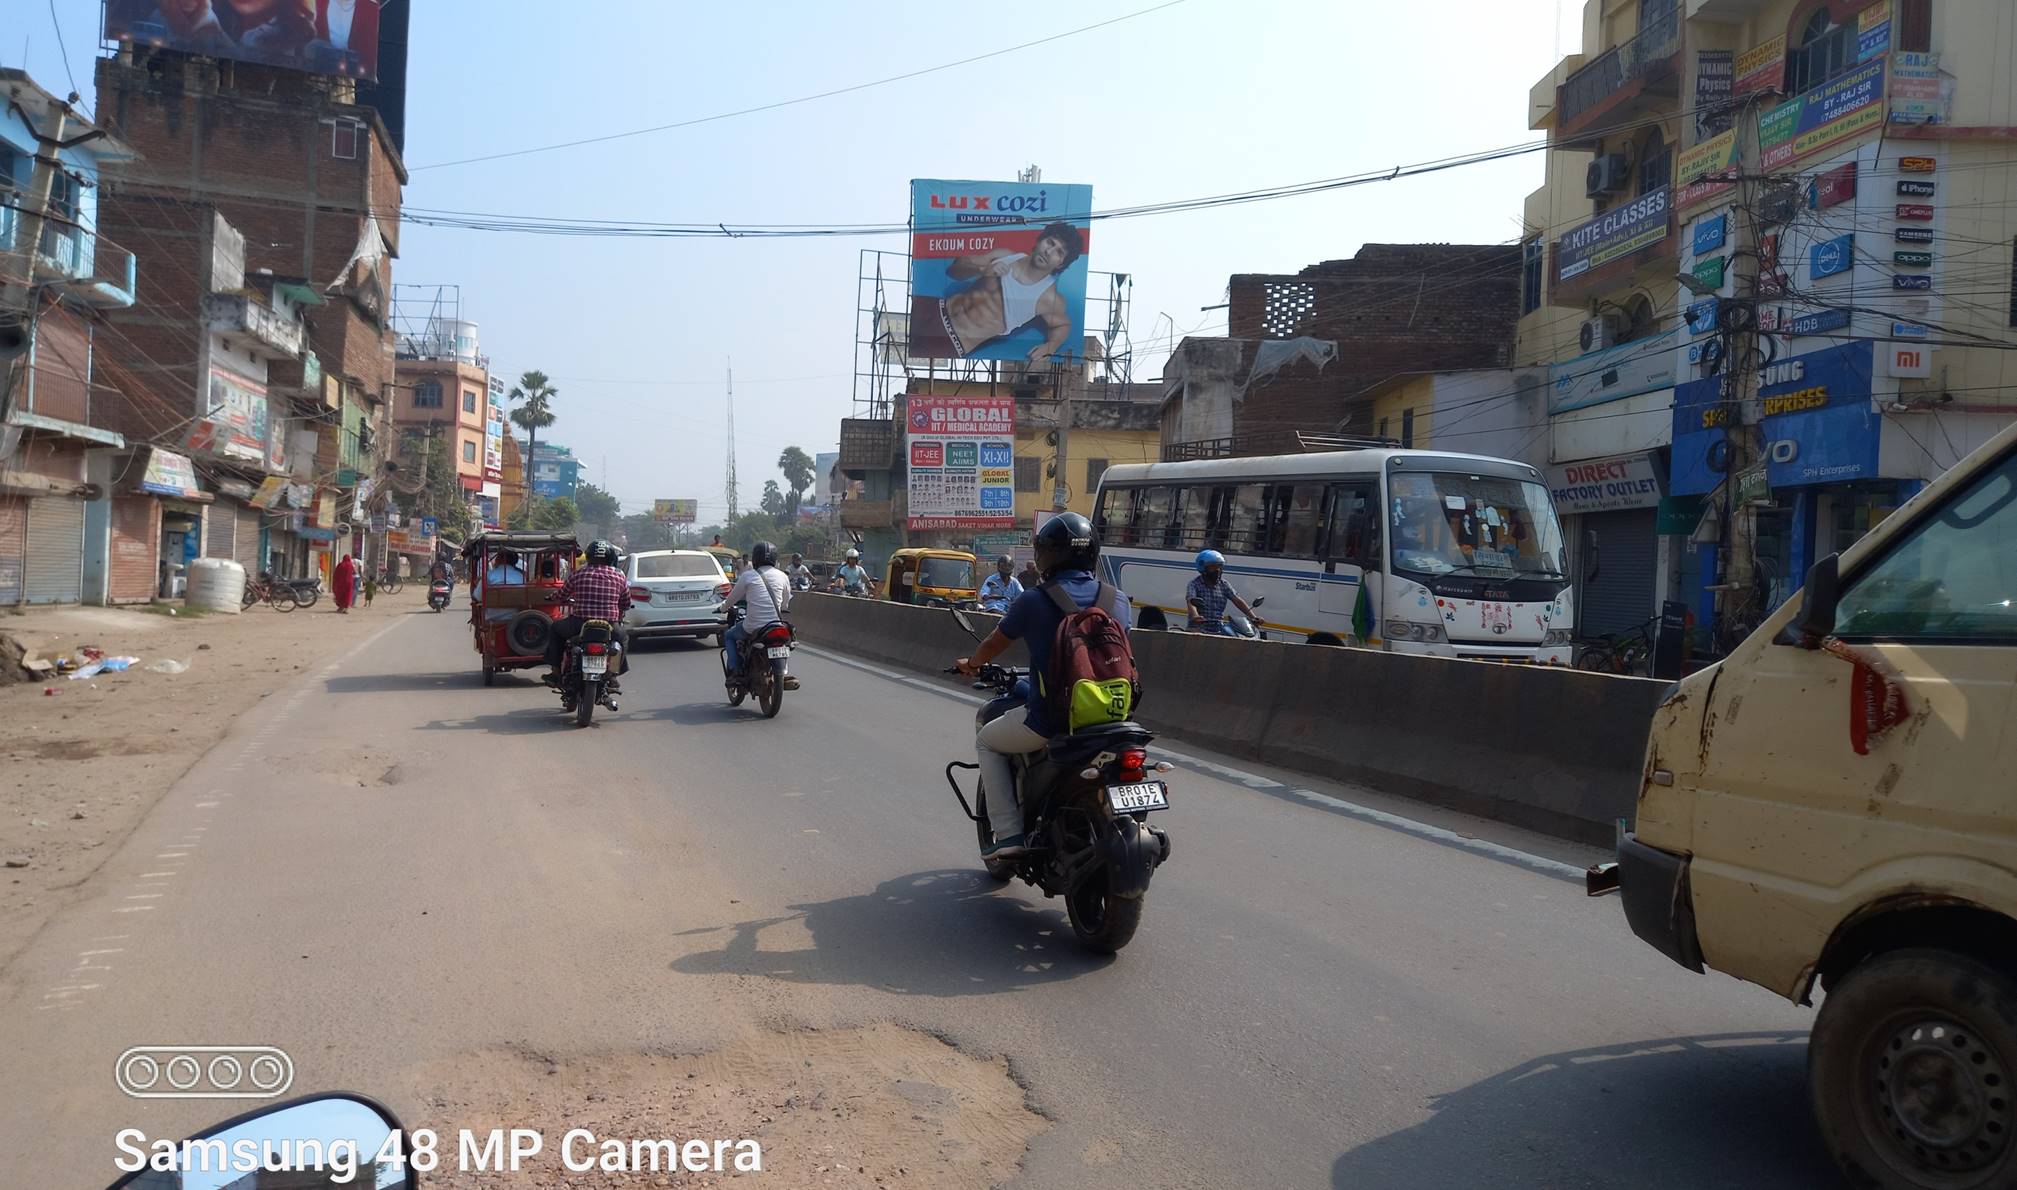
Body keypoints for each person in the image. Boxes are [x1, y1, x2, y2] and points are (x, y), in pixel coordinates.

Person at [956, 512, 1129, 858]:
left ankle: (1008, 835)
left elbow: (993, 643)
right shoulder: (1117, 600)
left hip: (1053, 720)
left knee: (987, 741)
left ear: (1047, 555)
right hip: (1112, 719)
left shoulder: (1034, 600)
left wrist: (972, 665)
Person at [909, 223, 1086, 362]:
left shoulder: (1048, 297)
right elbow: (954, 269)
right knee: (888, 344)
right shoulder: (1005, 255)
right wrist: (981, 269)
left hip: (952, 341)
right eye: (1050, 242)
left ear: (1061, 264)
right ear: (1040, 240)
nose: (1049, 251)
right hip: (933, 308)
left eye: (1059, 252)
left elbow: (1063, 325)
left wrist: (1050, 347)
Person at [543, 540, 632, 687]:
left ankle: (555, 672)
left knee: (555, 628)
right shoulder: (619, 577)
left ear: (589, 556)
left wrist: (552, 597)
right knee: (622, 639)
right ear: (610, 558)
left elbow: (562, 594)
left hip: (579, 623)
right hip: (609, 626)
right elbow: (626, 603)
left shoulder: (578, 573)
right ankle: (613, 675)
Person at [721, 541, 798, 690]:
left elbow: (731, 599)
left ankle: (735, 671)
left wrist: (723, 608)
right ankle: (784, 672)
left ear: (755, 558)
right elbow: (785, 603)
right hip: (776, 624)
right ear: (774, 558)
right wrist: (782, 607)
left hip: (753, 626)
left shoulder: (747, 576)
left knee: (729, 635)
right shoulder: (783, 576)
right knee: (785, 640)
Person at [1187, 549, 1259, 635]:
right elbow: (1191, 601)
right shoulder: (1194, 584)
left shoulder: (1224, 584)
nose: (1217, 570)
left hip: (1219, 628)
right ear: (1203, 568)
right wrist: (1195, 616)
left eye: (1219, 567)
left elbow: (1237, 600)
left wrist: (1253, 617)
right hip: (1199, 627)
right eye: (1213, 567)